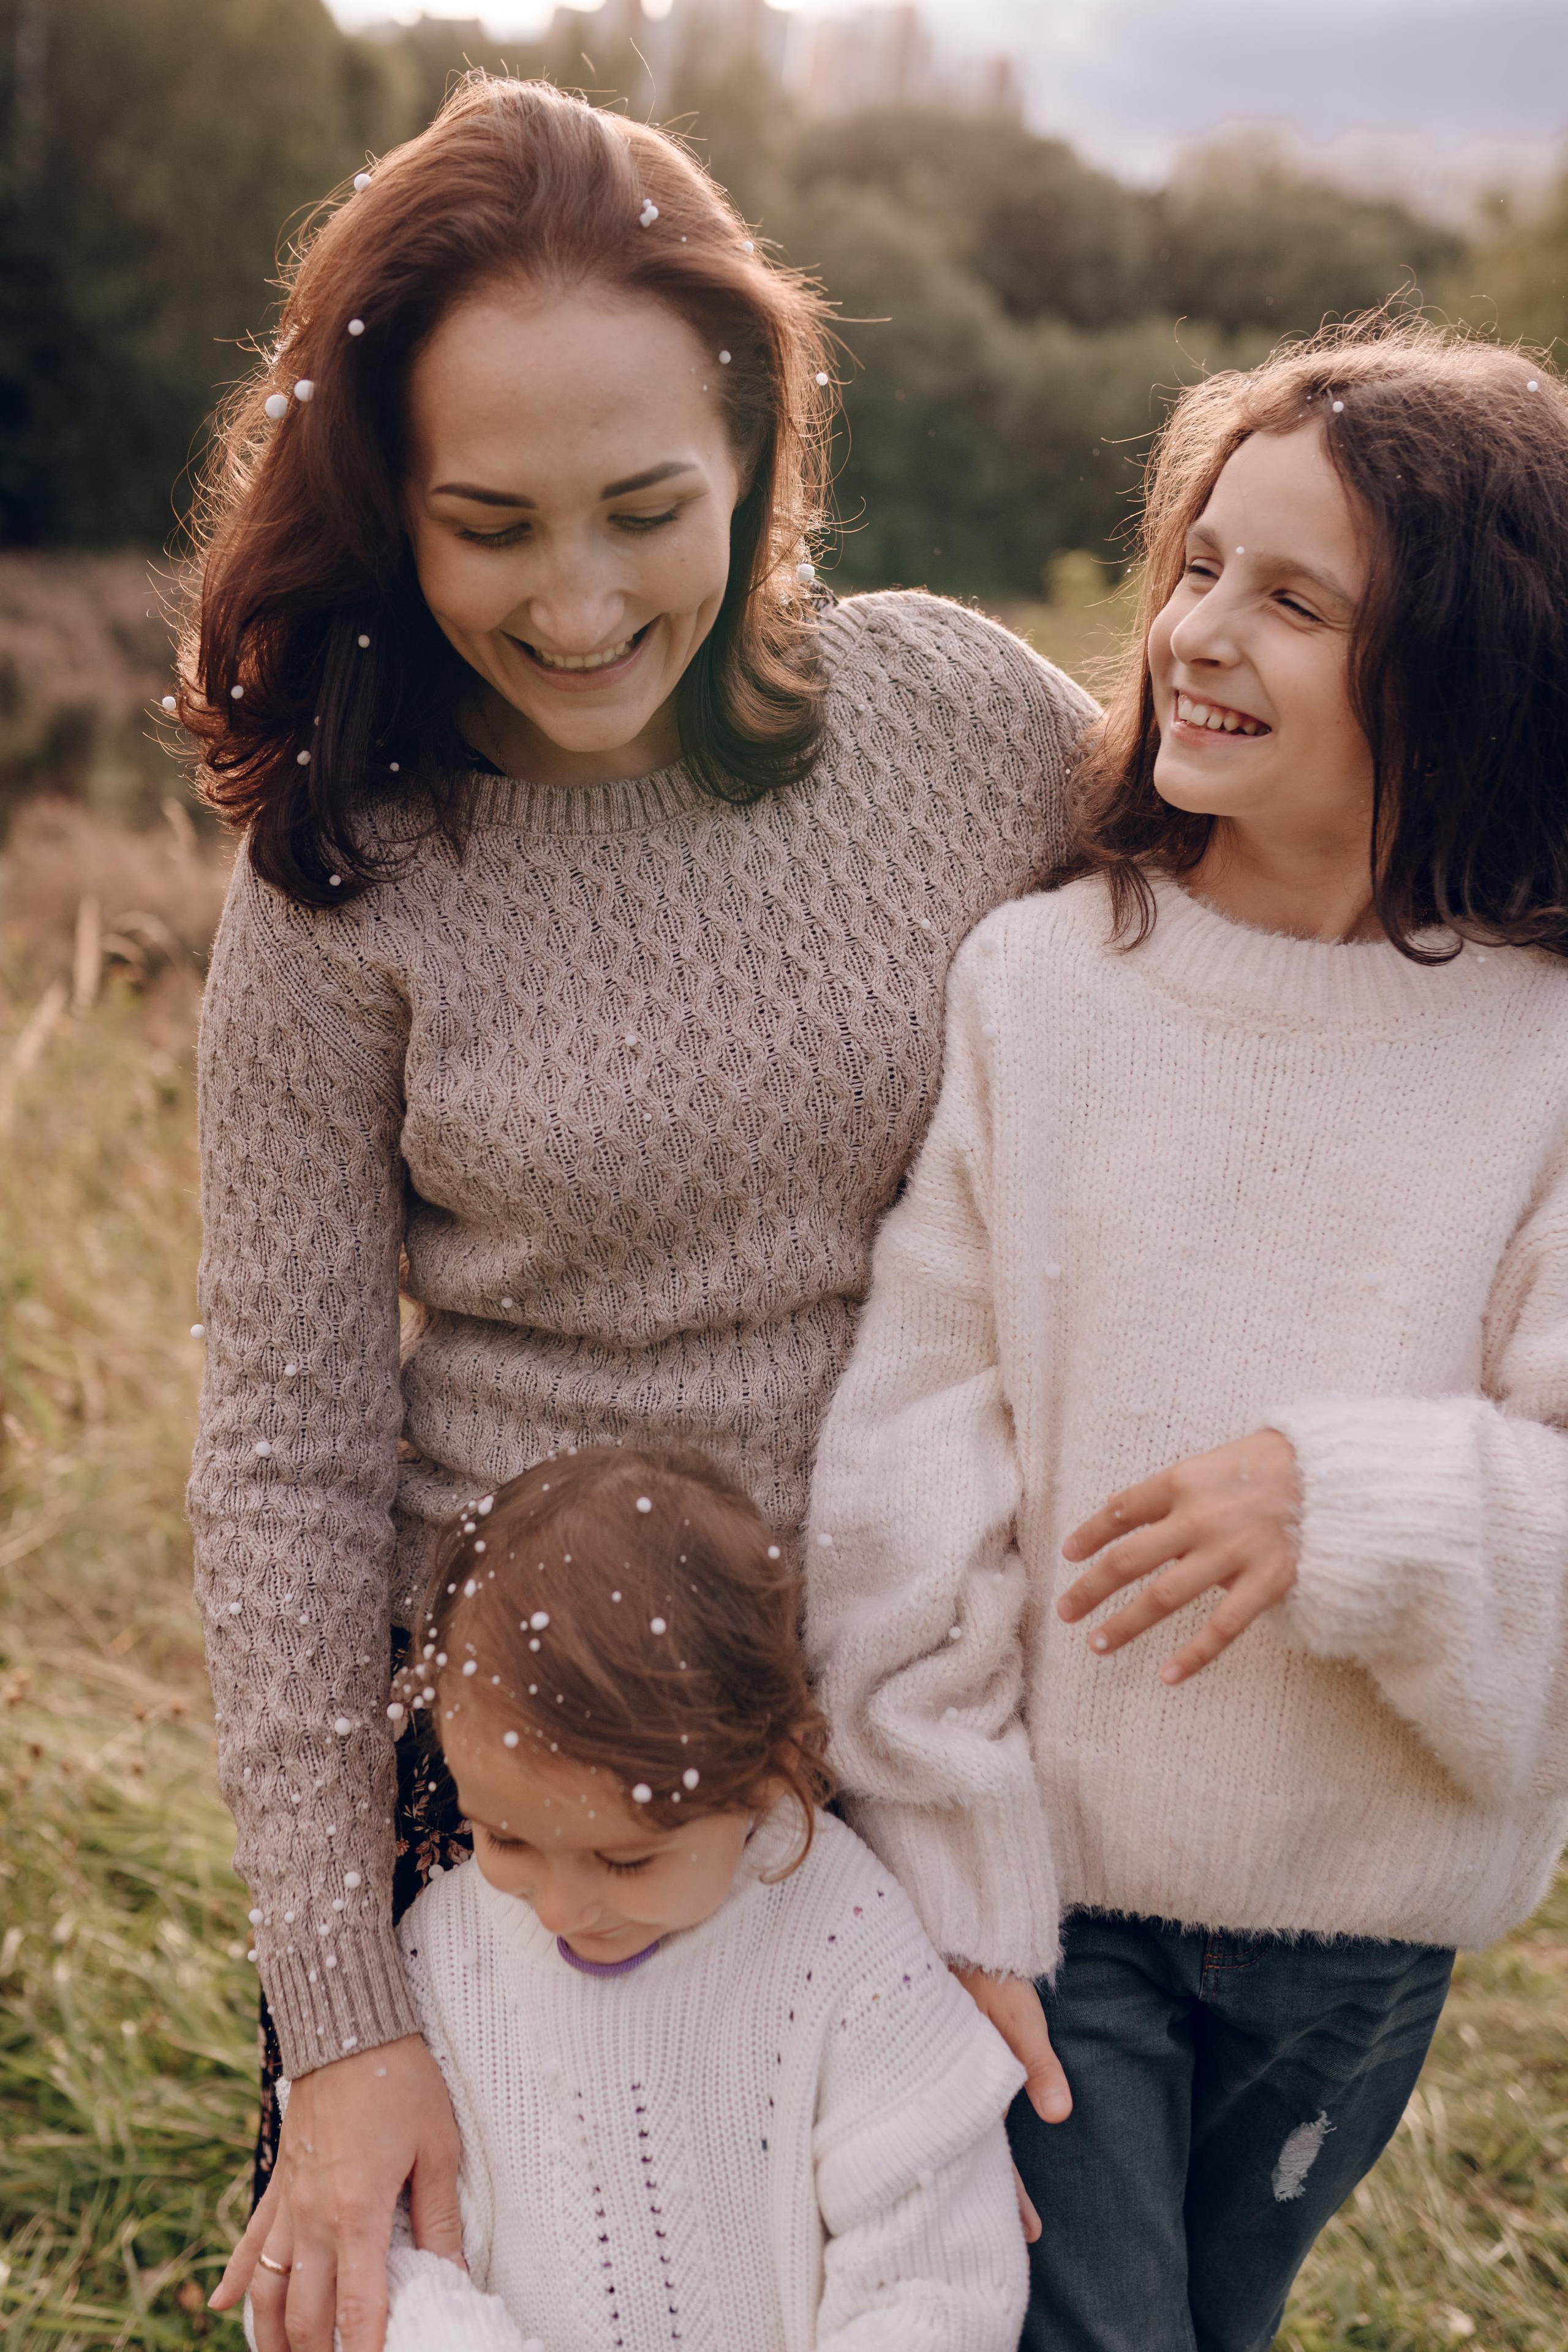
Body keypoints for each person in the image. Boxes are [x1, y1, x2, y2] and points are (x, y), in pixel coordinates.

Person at [188, 71, 1093, 2352]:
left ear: (763, 454)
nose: (578, 606)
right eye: (489, 525)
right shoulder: (338, 877)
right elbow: (289, 1453)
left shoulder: (969, 727)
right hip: (512, 1809)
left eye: (645, 510)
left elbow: (1248, 981)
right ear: (384, 508)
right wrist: (342, 2016)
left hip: (918, 1736)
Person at [805, 319, 1568, 2352]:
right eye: (1203, 565)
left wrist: (1350, 1502)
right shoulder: (1046, 990)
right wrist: (950, 1846)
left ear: (1464, 672)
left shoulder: (1543, 1056)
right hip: (1057, 1907)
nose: (1202, 632)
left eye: (1296, 600)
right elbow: (911, 1447)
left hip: (1365, 1944)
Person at [257, 1443, 1029, 2352]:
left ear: (765, 1777)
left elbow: (935, 2274)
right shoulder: (443, 1952)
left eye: (625, 1862)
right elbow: (382, 2257)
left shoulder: (847, 1937)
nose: (557, 1909)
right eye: (505, 1839)